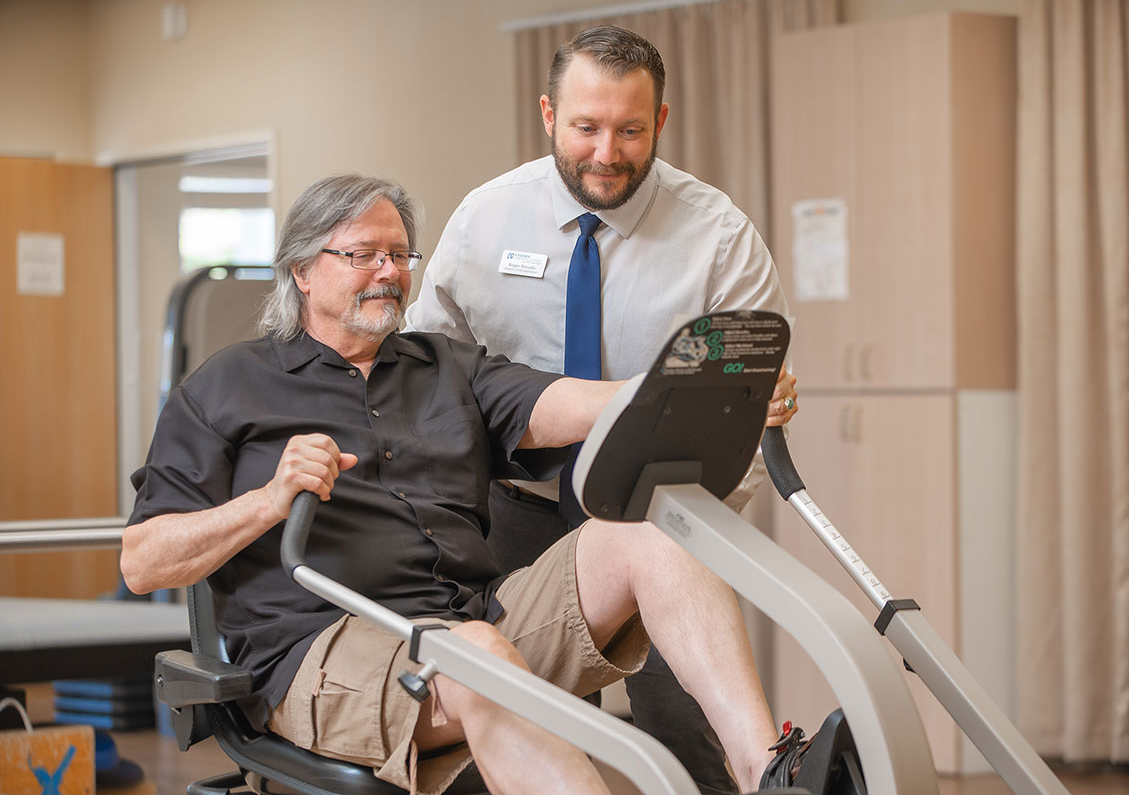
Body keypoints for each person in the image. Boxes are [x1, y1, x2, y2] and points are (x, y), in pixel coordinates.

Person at [120, 174, 787, 795]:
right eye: (363, 256)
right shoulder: (225, 386)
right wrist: (268, 500)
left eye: (400, 256)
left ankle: (771, 771)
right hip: (323, 656)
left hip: (476, 621)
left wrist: (698, 390)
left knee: (647, 532)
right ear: (302, 270)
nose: (389, 272)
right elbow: (145, 561)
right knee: (474, 658)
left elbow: (560, 402)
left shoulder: (445, 367)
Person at [405, 25, 797, 795]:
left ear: (662, 122)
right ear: (549, 115)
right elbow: (426, 374)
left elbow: (747, 409)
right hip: (514, 504)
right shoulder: (486, 220)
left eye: (629, 129)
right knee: (508, 722)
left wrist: (693, 522)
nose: (606, 153)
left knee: (686, 731)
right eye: (586, 127)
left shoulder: (717, 235)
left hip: (659, 507)